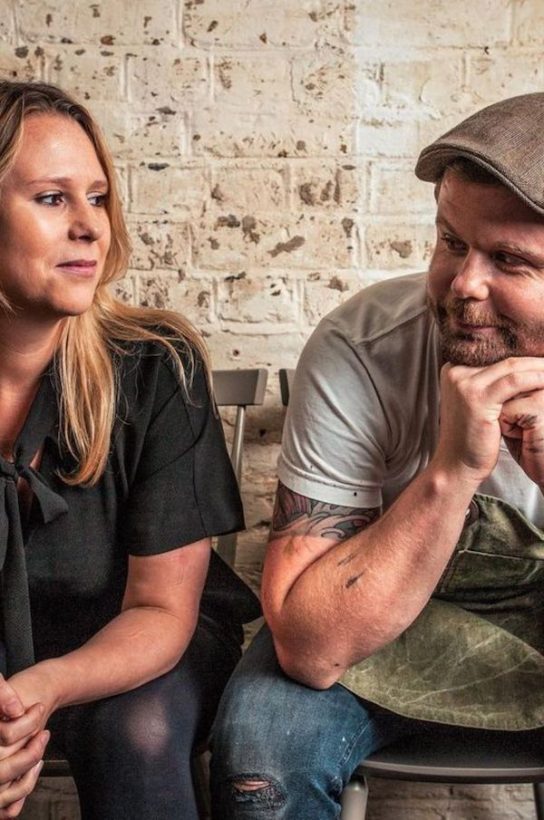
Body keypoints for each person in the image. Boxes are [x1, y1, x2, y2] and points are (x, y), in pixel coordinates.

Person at [211, 92, 544, 818]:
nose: (464, 284)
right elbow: (308, 645)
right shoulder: (361, 347)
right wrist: (453, 471)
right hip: (377, 615)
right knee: (262, 750)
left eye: (509, 260)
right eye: (452, 242)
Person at [0, 80, 259, 820]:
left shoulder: (154, 365)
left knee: (135, 731)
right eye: (52, 198)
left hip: (136, 641)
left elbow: (159, 610)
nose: (91, 226)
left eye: (98, 198)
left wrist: (42, 688)